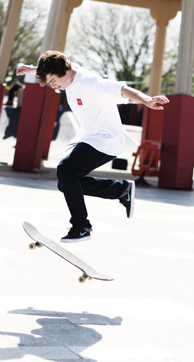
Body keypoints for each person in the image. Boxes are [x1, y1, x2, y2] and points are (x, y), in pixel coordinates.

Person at [17, 50, 168, 243]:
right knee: (66, 183)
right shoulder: (70, 73)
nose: (54, 86)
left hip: (106, 139)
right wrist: (31, 70)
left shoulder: (90, 82)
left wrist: (146, 100)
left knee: (65, 170)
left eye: (53, 80)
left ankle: (81, 227)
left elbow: (121, 89)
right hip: (91, 137)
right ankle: (119, 190)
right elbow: (57, 63)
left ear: (63, 71)